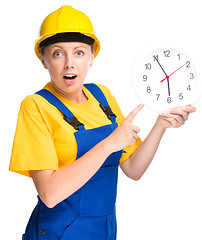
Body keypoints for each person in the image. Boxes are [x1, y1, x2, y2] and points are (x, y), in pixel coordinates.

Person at [9, 5, 196, 240]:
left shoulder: (102, 96)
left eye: (79, 52)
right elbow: (49, 194)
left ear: (91, 57)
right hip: (58, 233)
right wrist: (108, 145)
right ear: (43, 59)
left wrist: (161, 125)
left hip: (104, 230)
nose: (69, 63)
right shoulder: (36, 106)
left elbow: (133, 169)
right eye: (58, 53)